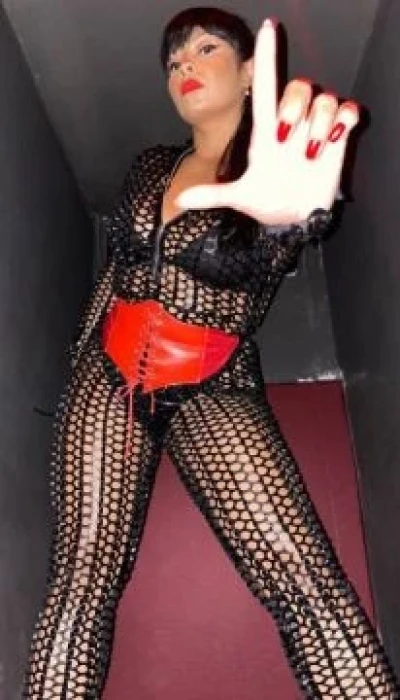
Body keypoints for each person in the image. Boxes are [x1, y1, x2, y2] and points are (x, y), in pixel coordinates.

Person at [22, 6, 400, 699]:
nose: (184, 68)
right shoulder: (150, 167)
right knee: (81, 577)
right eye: (173, 61)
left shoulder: (275, 174)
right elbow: (115, 274)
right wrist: (78, 363)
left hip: (214, 380)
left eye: (203, 49)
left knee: (304, 578)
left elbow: (274, 249)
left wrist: (291, 224)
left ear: (251, 70)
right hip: (110, 374)